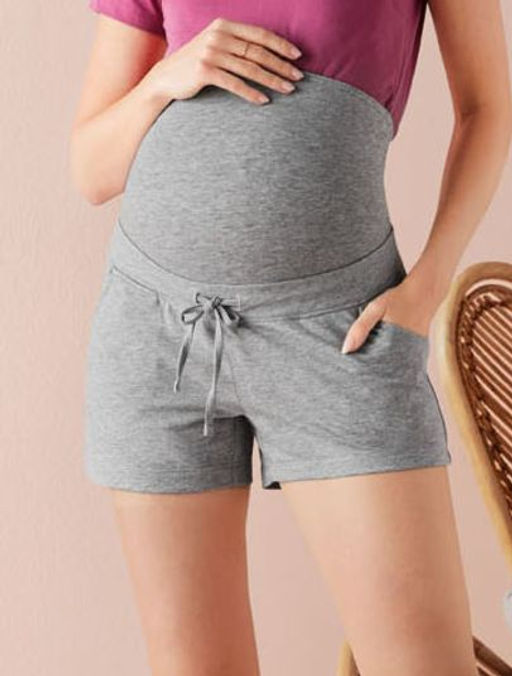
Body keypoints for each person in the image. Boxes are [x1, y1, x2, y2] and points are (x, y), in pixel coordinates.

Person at [69, 1, 512, 674]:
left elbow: (487, 107)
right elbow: (91, 171)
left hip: (343, 333)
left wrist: (427, 287)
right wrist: (166, 78)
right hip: (159, 334)